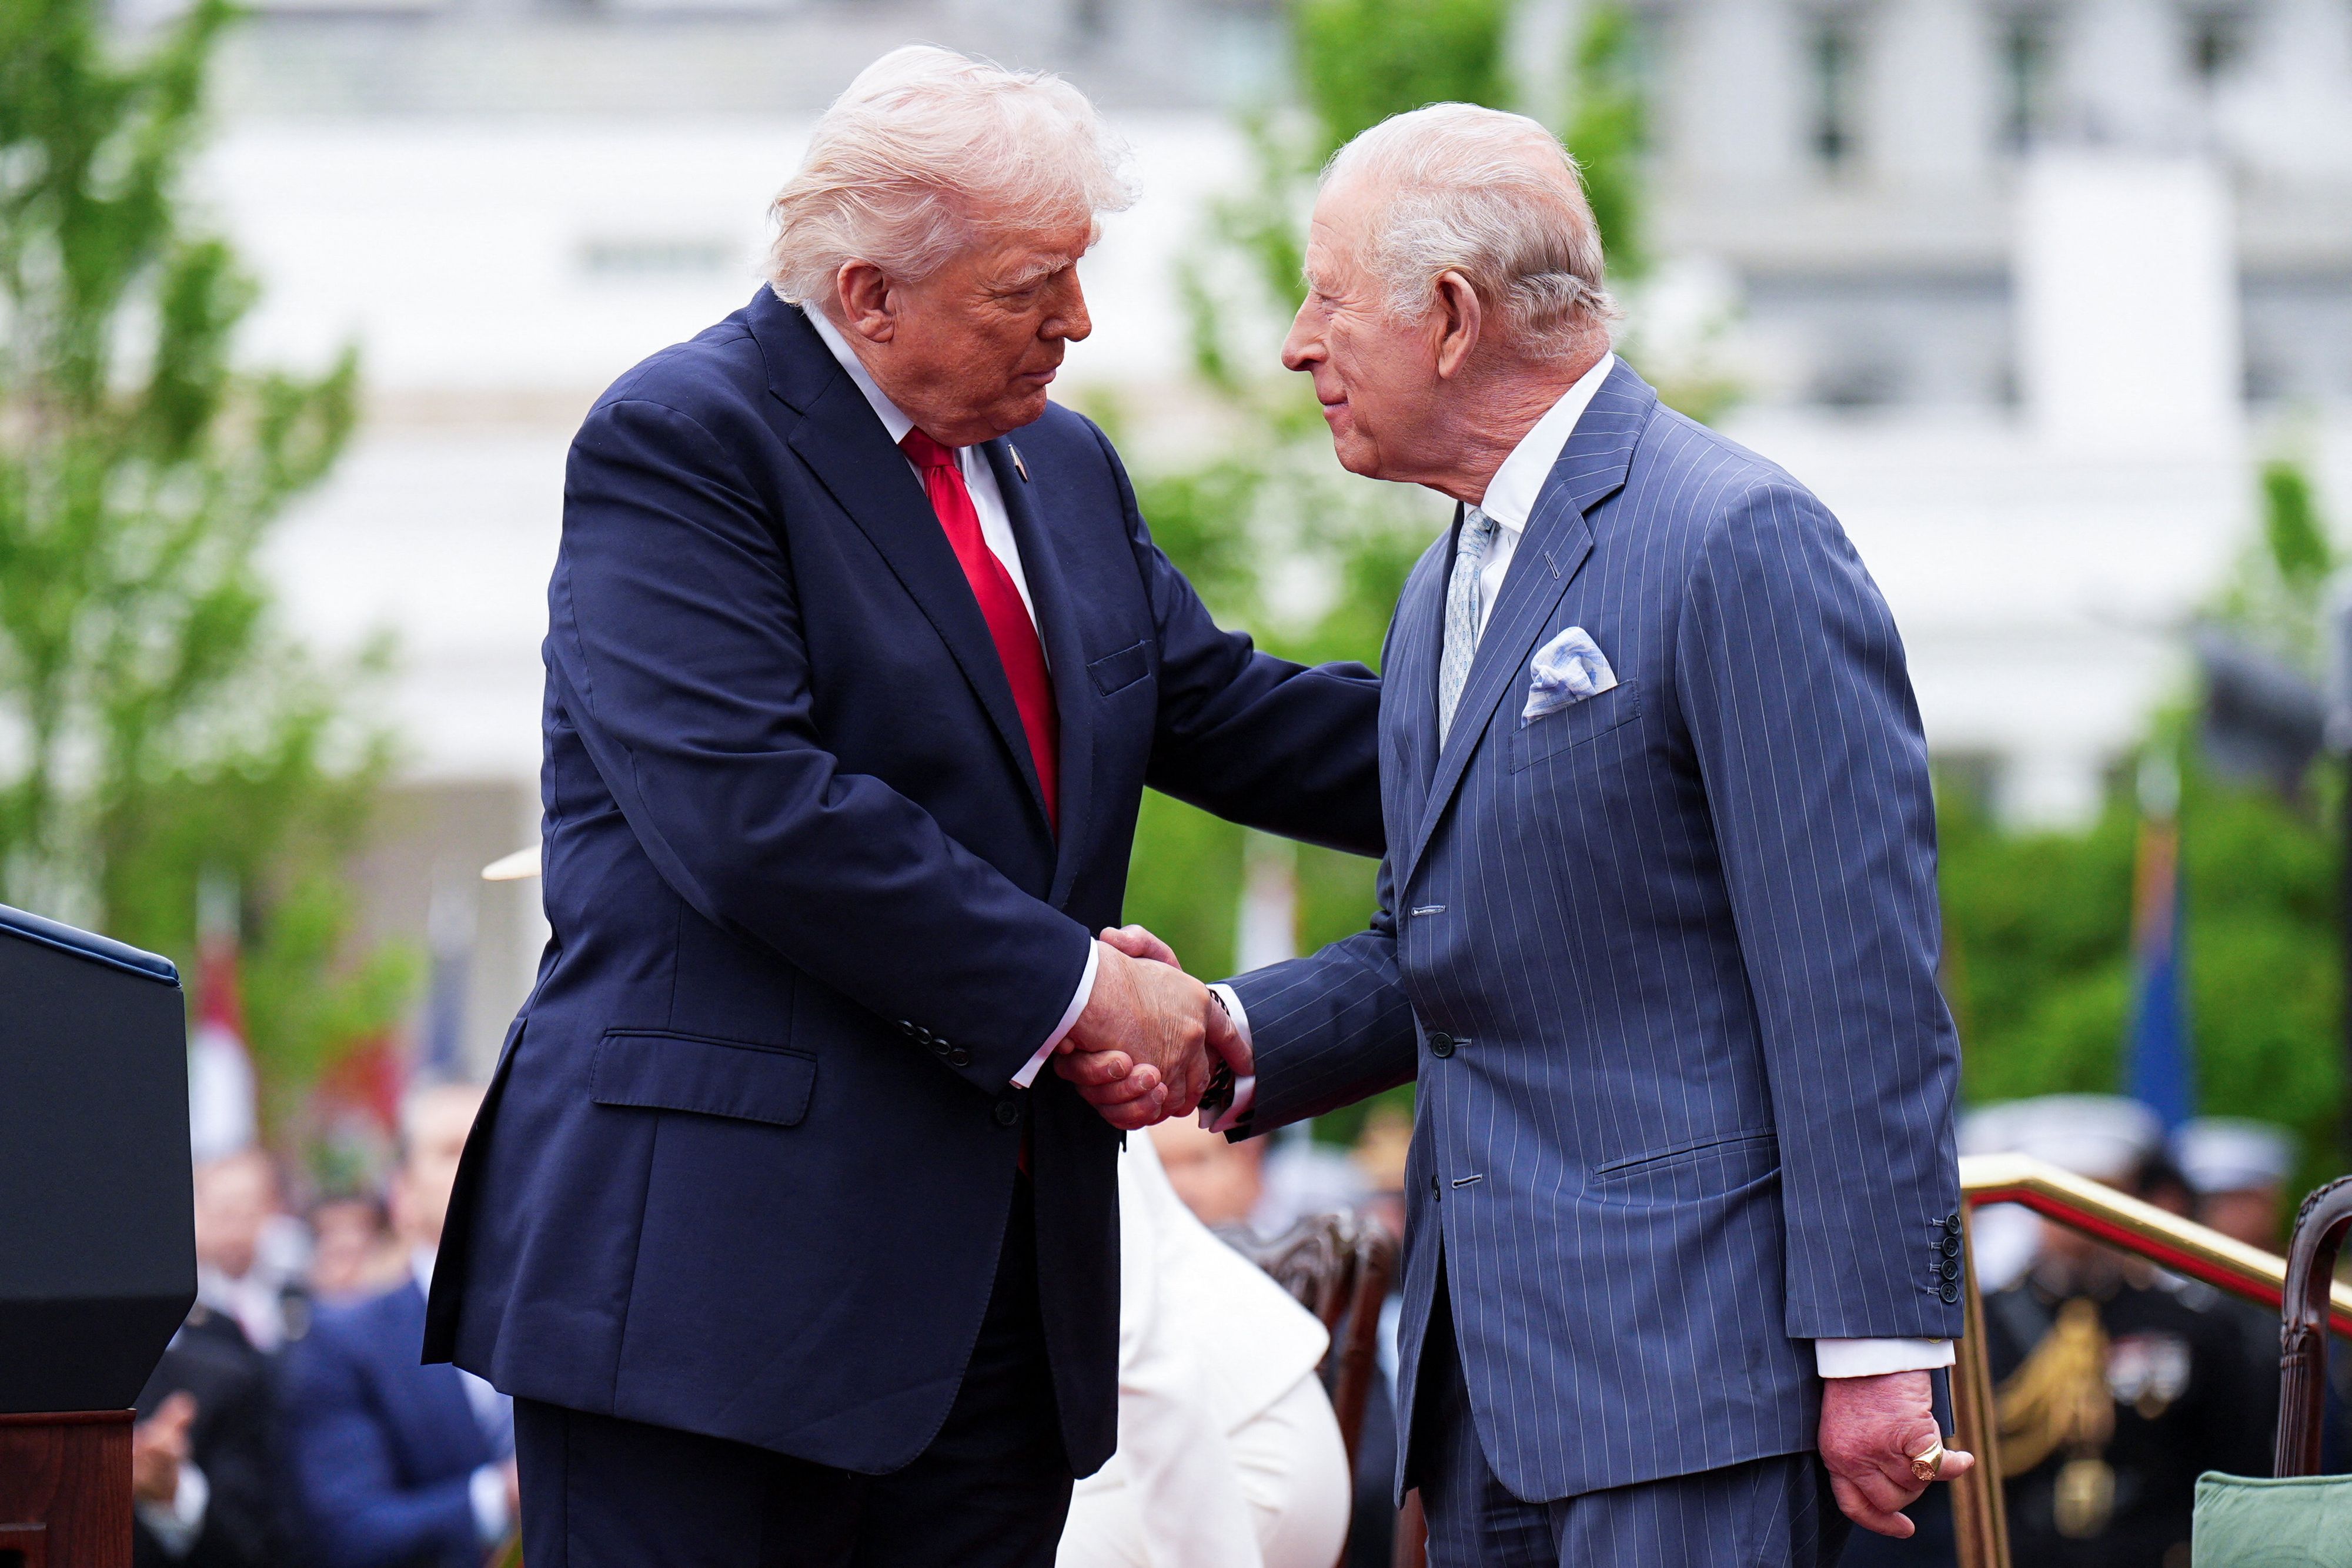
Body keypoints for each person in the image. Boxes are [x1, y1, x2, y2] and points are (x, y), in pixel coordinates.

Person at [423, 45, 1381, 1568]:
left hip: (996, 1310)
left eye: (1080, 275)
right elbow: (758, 811)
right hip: (714, 1302)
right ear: (869, 294)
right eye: (1033, 284)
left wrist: (1527, 745)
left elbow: (1223, 711)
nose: (1077, 321)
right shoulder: (684, 441)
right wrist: (1082, 995)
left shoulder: (1061, 468)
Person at [1088, 102, 1973, 1567]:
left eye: (1323, 297)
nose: (1298, 345)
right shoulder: (1444, 583)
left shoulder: (1734, 537)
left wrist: (1879, 1351)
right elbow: (1442, 946)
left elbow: (1855, 981)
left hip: (1700, 1393)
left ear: (1447, 316)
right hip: (1483, 1399)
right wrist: (1226, 1028)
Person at [1974, 1096, 2274, 1568]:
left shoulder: (2188, 1322)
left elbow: (2239, 1458)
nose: (2076, 1216)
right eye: (2058, 1197)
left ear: (2130, 1194)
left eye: (2098, 1192)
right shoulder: (1985, 1324)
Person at [1056, 1131, 1351, 1568]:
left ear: (1253, 1158)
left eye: (1199, 1162)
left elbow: (1141, 1356)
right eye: (1172, 1164)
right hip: (1121, 1453)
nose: (1185, 1185)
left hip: (1234, 1464)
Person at [284, 1085, 519, 1568]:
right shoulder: (344, 1343)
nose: (485, 1158)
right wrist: (503, 1496)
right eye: (454, 1149)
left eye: (503, 1139)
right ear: (403, 1196)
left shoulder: (583, 1319)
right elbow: (350, 1530)